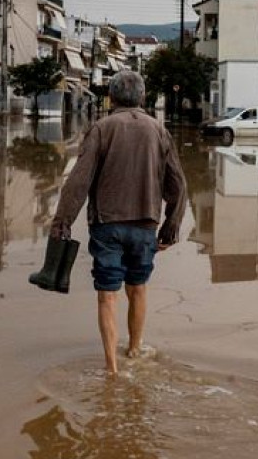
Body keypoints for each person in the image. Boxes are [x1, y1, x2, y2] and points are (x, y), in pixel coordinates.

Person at [51, 70, 187, 376]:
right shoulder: (159, 131)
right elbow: (178, 186)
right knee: (138, 290)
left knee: (107, 295)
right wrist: (171, 227)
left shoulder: (101, 129)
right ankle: (135, 350)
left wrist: (62, 223)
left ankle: (112, 369)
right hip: (145, 226)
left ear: (111, 98)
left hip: (107, 225)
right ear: (142, 97)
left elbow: (78, 182)